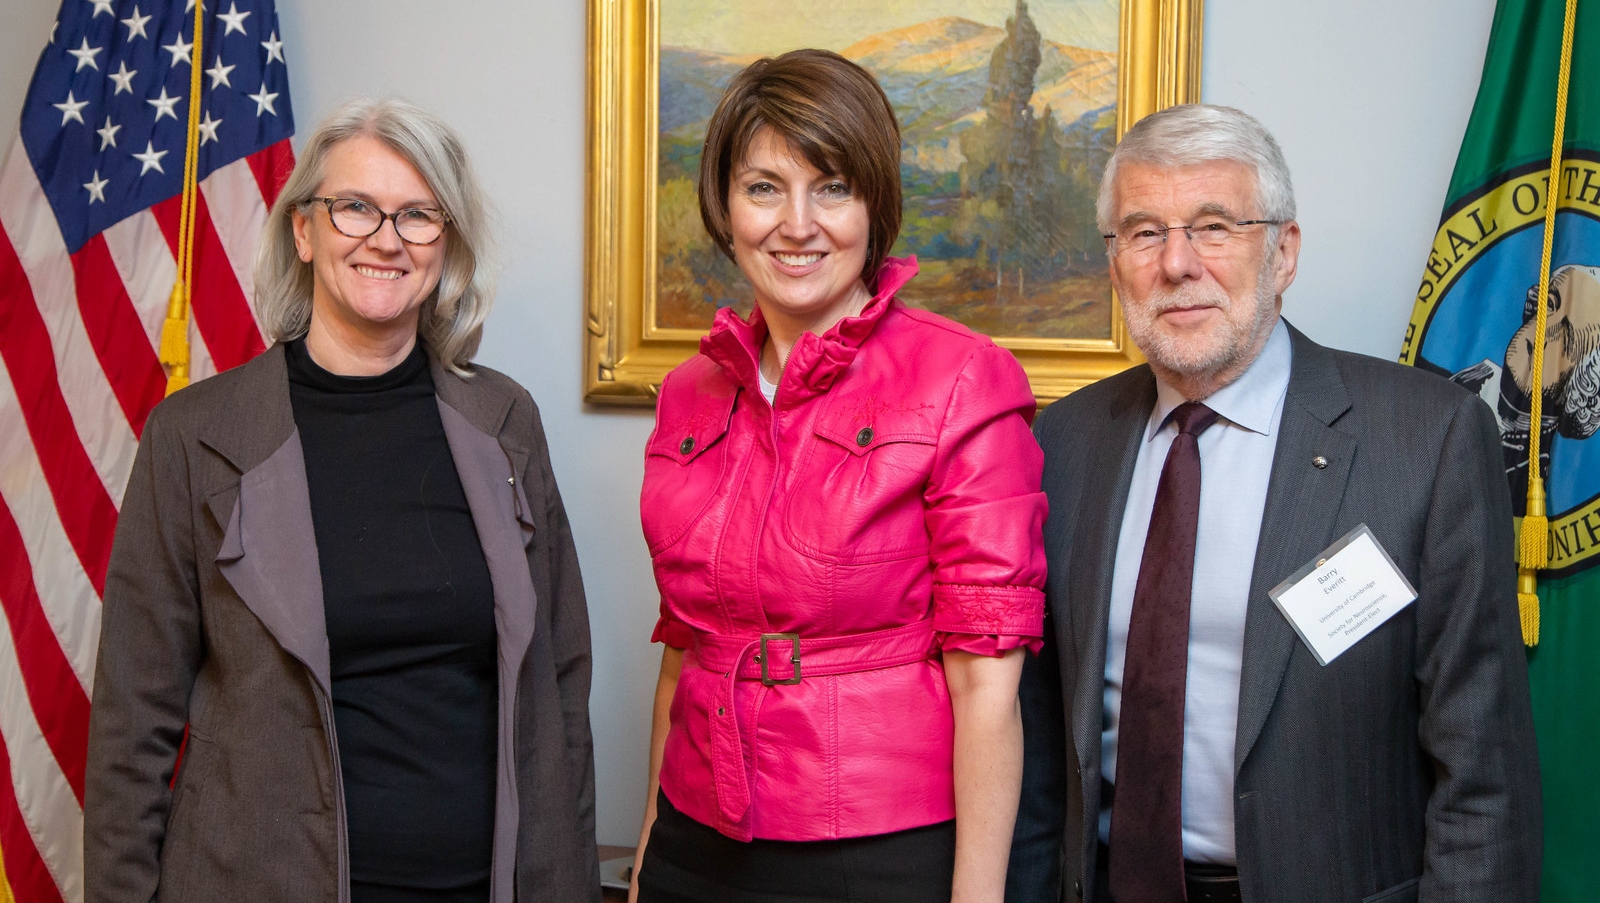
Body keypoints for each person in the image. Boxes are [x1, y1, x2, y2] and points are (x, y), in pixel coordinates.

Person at [1007, 103, 1542, 903]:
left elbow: (1483, 776)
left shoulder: (1425, 438)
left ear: (1284, 252)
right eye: (1144, 233)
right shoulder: (1068, 441)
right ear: (1114, 263)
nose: (1178, 263)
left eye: (1215, 226)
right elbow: (1041, 741)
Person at [84, 97, 600, 903]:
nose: (386, 238)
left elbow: (561, 686)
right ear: (304, 230)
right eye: (355, 206)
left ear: (446, 243)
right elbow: (131, 721)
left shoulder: (508, 422)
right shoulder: (192, 436)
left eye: (419, 215)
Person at [630, 49, 1047, 903]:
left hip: (878, 850)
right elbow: (684, 652)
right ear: (723, 204)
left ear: (875, 205)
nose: (796, 224)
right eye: (762, 188)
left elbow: (987, 687)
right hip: (693, 839)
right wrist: (645, 859)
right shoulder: (688, 393)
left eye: (831, 187)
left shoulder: (966, 380)